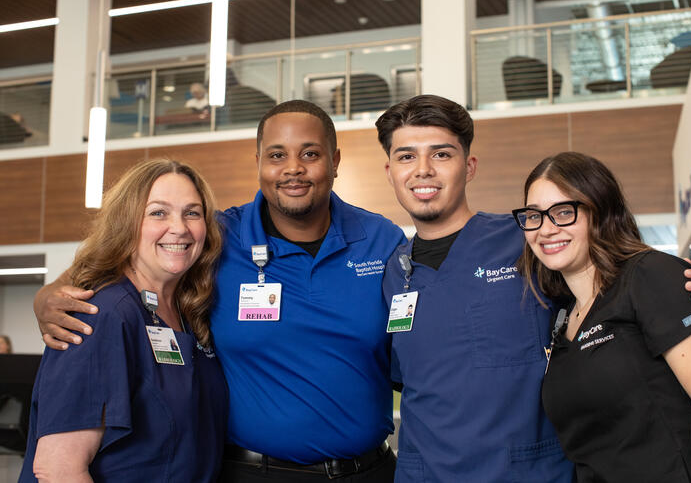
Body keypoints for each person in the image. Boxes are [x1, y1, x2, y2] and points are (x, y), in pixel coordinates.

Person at [33, 100, 403, 482]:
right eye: (277, 155)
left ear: (335, 160)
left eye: (310, 153)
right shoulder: (218, 236)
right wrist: (47, 297)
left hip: (371, 470)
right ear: (258, 161)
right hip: (255, 472)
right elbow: (116, 261)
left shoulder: (379, 238)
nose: (293, 168)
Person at [374, 94, 691, 482]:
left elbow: (616, 281)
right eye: (406, 156)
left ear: (469, 166)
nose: (423, 170)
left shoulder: (530, 241)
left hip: (529, 472)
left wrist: (685, 287)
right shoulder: (393, 271)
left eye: (441, 154)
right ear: (389, 170)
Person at [512, 151, 691, 482]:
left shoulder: (650, 274)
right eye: (534, 216)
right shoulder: (564, 315)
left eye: (564, 212)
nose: (546, 229)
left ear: (600, 211)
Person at [19, 159, 228, 482]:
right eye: (158, 212)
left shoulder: (189, 315)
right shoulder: (102, 314)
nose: (180, 227)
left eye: (192, 212)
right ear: (126, 222)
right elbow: (58, 469)